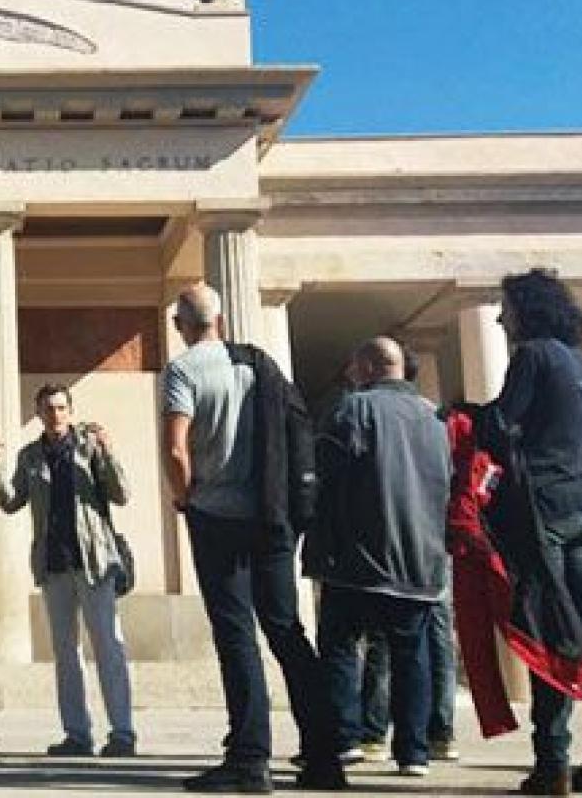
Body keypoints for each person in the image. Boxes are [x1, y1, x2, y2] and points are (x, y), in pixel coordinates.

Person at [162, 283, 344, 793]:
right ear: (219, 319)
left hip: (217, 516)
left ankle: (249, 758)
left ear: (181, 324)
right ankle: (326, 755)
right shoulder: (257, 365)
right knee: (286, 630)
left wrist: (185, 497)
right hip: (272, 515)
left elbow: (176, 449)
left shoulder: (183, 371)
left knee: (236, 633)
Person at [483, 269, 582, 796]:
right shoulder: (581, 365)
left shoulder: (534, 355)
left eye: (506, 307)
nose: (501, 317)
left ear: (527, 308)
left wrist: (467, 419)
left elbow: (502, 427)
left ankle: (552, 762)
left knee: (550, 632)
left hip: (543, 508)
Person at [308, 337, 452, 778]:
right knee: (411, 654)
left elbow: (327, 479)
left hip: (358, 556)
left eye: (353, 365)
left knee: (339, 646)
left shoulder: (353, 409)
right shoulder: (434, 418)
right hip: (420, 559)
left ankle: (345, 738)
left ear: (370, 366)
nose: (349, 373)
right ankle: (413, 752)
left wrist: (318, 541)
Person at [0, 383, 135, 758]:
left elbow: (122, 494)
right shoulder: (30, 457)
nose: (56, 415)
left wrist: (108, 452)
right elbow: (11, 503)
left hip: (94, 562)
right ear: (38, 414)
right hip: (54, 566)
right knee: (66, 653)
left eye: (61, 408)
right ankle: (77, 735)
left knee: (108, 648)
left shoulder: (88, 449)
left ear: (70, 411)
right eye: (48, 409)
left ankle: (122, 733)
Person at [354, 346, 459, 763]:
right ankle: (435, 734)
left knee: (388, 640)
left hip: (394, 543)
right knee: (432, 639)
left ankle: (376, 731)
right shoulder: (435, 418)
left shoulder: (370, 412)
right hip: (434, 544)